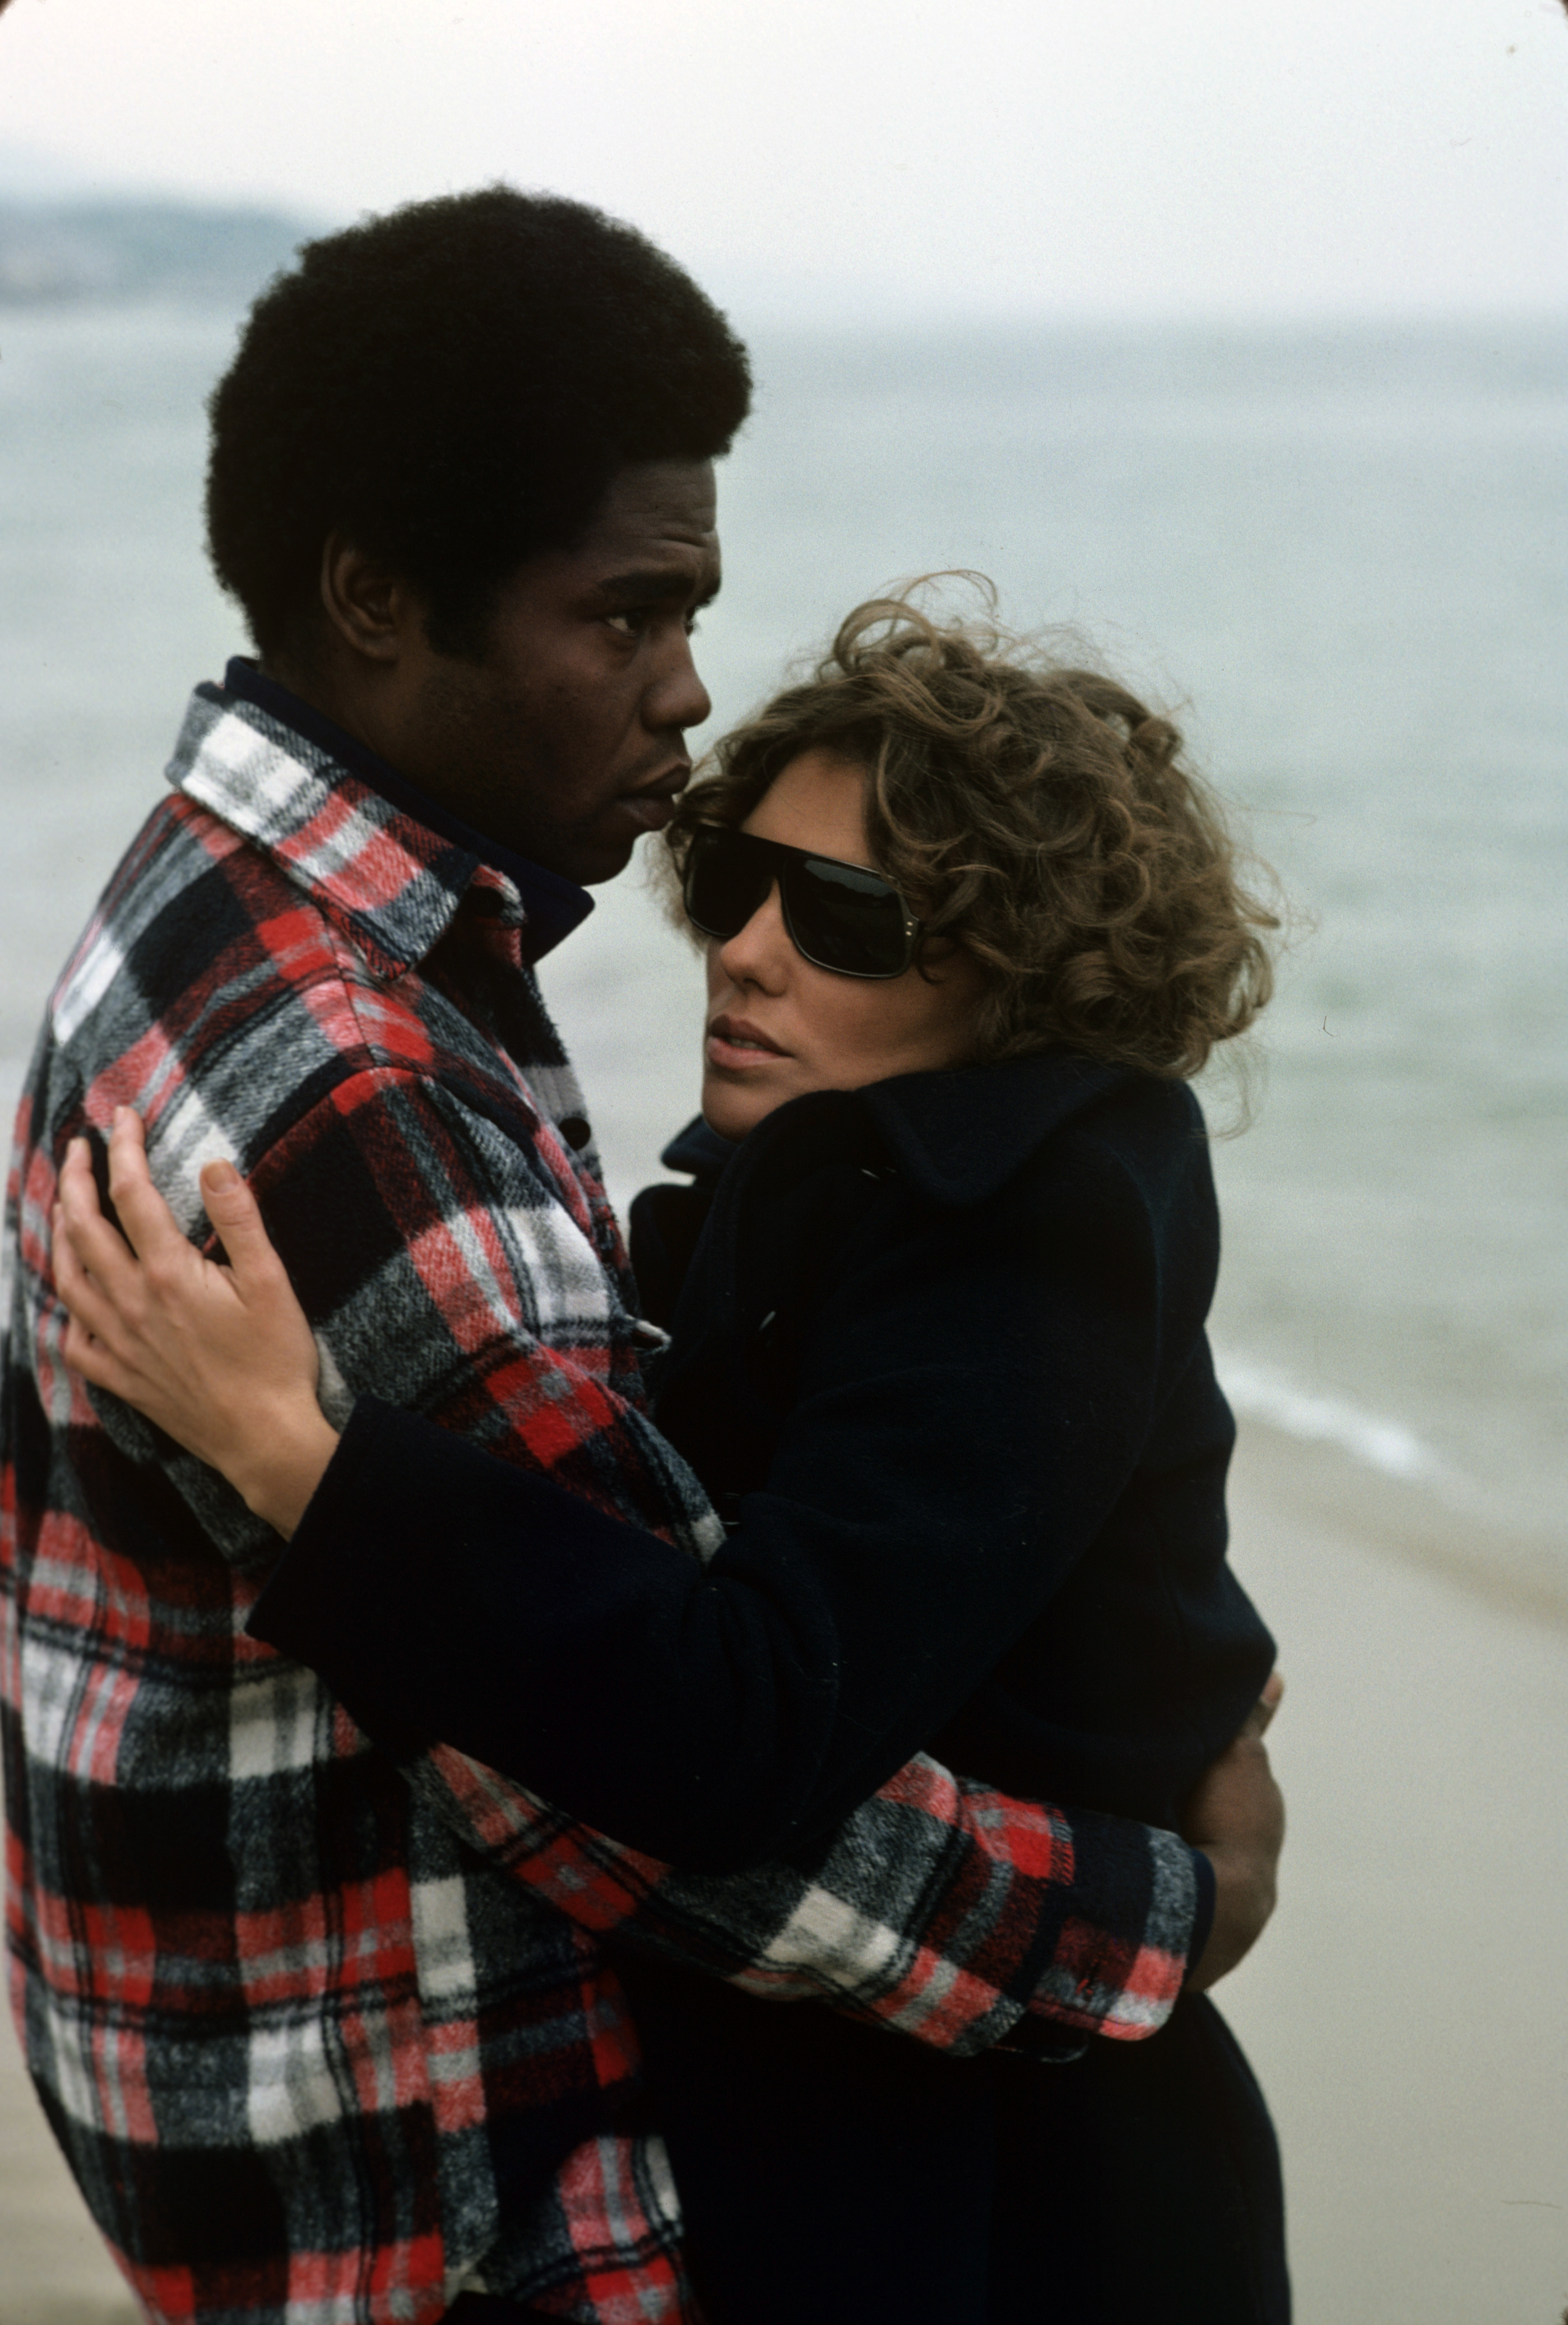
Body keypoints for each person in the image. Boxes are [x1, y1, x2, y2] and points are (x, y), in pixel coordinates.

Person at [1, 189, 1281, 2325]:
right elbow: (681, 1800)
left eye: (695, 614)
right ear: (377, 599)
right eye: (627, 615)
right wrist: (1168, 1909)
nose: (686, 689)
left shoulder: (201, 910)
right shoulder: (357, 1096)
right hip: (455, 2192)